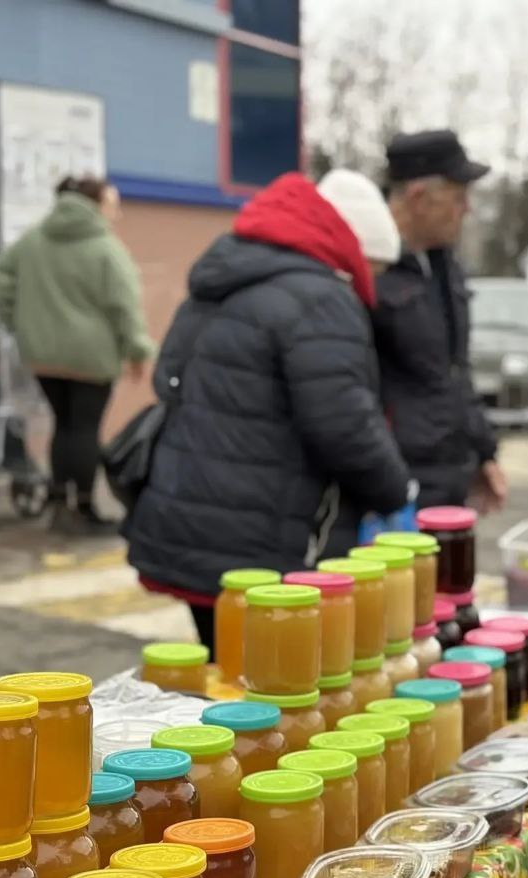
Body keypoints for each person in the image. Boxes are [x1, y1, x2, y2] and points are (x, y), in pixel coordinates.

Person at [125, 170, 411, 653]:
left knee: (224, 681)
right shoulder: (321, 298)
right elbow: (344, 426)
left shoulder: (226, 275)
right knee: (278, 693)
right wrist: (395, 490)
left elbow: (168, 378)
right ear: (352, 251)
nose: (373, 286)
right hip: (263, 541)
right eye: (375, 269)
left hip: (190, 524)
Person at [0, 176, 154, 534]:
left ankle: (61, 501)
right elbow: (124, 305)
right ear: (96, 204)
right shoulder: (105, 247)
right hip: (91, 356)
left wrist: (14, 318)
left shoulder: (34, 238)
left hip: (42, 352)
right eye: (113, 204)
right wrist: (137, 350)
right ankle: (83, 508)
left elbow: (0, 271)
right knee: (84, 428)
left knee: (64, 425)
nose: (117, 212)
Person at [374, 130, 506, 511]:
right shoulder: (370, 268)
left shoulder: (445, 267)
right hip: (398, 486)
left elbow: (454, 371)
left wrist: (483, 452)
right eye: (457, 198)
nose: (466, 210)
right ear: (418, 198)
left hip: (449, 478)